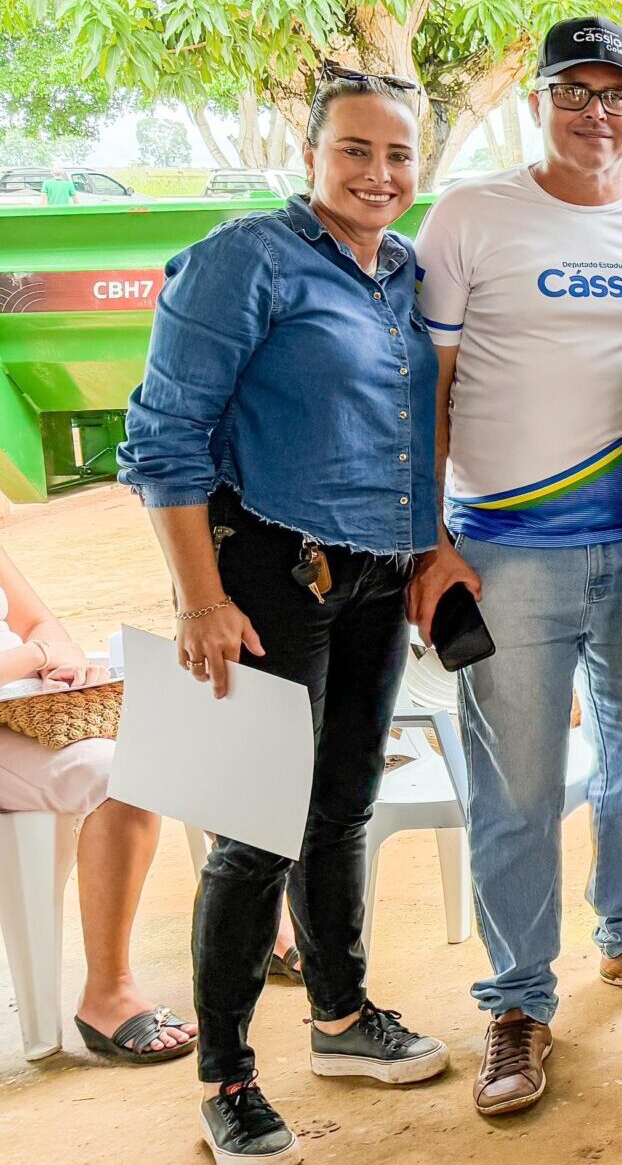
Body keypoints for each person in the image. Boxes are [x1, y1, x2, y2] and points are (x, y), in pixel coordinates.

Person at [121, 63, 449, 1165]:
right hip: (263, 575)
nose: (377, 172)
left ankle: (343, 1018)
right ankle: (227, 1076)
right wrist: (201, 599)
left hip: (372, 577)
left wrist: (414, 557)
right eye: (354, 149)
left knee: (342, 805)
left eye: (398, 153)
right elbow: (162, 438)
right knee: (252, 831)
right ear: (310, 155)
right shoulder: (241, 260)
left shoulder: (401, 271)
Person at [407, 16, 622, 1116]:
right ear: (538, 100)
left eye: (617, 93)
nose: (597, 110)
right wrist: (425, 536)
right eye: (573, 90)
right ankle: (517, 999)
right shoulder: (472, 215)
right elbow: (424, 388)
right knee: (520, 784)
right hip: (503, 549)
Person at [0, 547, 195, 1065]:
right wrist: (38, 656)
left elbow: (39, 620)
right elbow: (39, 641)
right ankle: (108, 992)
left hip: (25, 706)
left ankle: (267, 926)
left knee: (188, 720)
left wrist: (57, 657)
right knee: (121, 775)